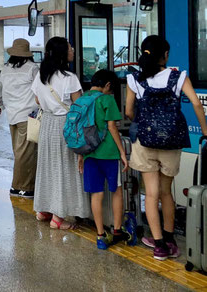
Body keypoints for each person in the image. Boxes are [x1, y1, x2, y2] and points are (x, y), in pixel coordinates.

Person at [125, 35, 207, 260]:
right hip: (171, 142)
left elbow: (129, 111)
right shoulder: (178, 77)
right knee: (165, 192)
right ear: (166, 55)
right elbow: (197, 104)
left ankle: (158, 245)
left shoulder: (134, 79)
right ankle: (171, 241)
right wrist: (205, 131)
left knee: (150, 194)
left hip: (145, 142)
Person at [32, 36, 90, 229]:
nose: (72, 49)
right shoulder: (69, 78)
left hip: (47, 124)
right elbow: (79, 107)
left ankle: (44, 210)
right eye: (69, 47)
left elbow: (38, 101)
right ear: (62, 53)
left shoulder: (41, 76)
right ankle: (58, 217)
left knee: (48, 167)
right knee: (64, 169)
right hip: (65, 125)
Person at [76, 69, 132, 249]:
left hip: (89, 153)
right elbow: (112, 128)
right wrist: (122, 152)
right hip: (108, 153)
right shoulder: (107, 99)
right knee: (116, 190)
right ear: (107, 85)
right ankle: (116, 230)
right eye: (112, 88)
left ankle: (100, 235)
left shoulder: (82, 99)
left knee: (96, 194)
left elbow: (80, 130)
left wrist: (80, 155)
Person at [0, 38, 39, 197]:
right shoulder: (32, 69)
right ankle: (21, 187)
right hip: (27, 116)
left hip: (12, 117)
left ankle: (20, 185)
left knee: (19, 152)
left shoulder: (6, 69)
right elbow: (40, 91)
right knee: (26, 153)